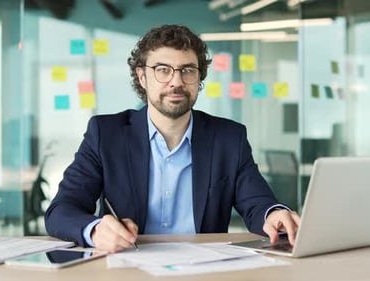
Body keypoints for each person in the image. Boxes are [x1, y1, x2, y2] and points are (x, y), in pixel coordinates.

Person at [45, 24, 300, 253]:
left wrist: (274, 214)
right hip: (129, 266)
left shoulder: (229, 138)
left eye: (187, 70)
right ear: (142, 77)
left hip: (205, 268)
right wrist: (96, 230)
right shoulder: (106, 134)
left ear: (199, 77)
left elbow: (258, 203)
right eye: (163, 70)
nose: (176, 81)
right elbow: (62, 210)